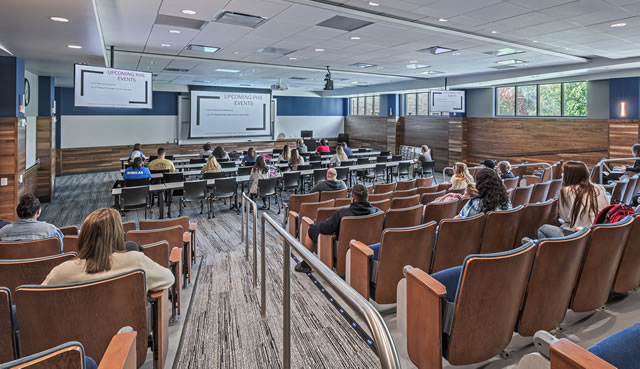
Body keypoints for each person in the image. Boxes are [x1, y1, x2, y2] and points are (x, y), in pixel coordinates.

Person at [43, 208, 174, 293]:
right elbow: (168, 278)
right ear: (119, 234)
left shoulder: (60, 272)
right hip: (126, 333)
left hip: (71, 335)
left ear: (83, 236)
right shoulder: (135, 261)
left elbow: (36, 299)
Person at [296, 184, 379, 273]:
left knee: (311, 230)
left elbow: (325, 228)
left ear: (353, 199)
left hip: (344, 249)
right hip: (368, 249)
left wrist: (318, 223)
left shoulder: (342, 213)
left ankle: (305, 265)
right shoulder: (377, 212)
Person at [537, 161, 609, 239]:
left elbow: (565, 218)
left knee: (543, 229)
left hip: (578, 234)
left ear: (570, 176)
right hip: (599, 231)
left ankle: (536, 246)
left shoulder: (566, 191)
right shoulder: (599, 188)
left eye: (563, 173)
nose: (561, 175)